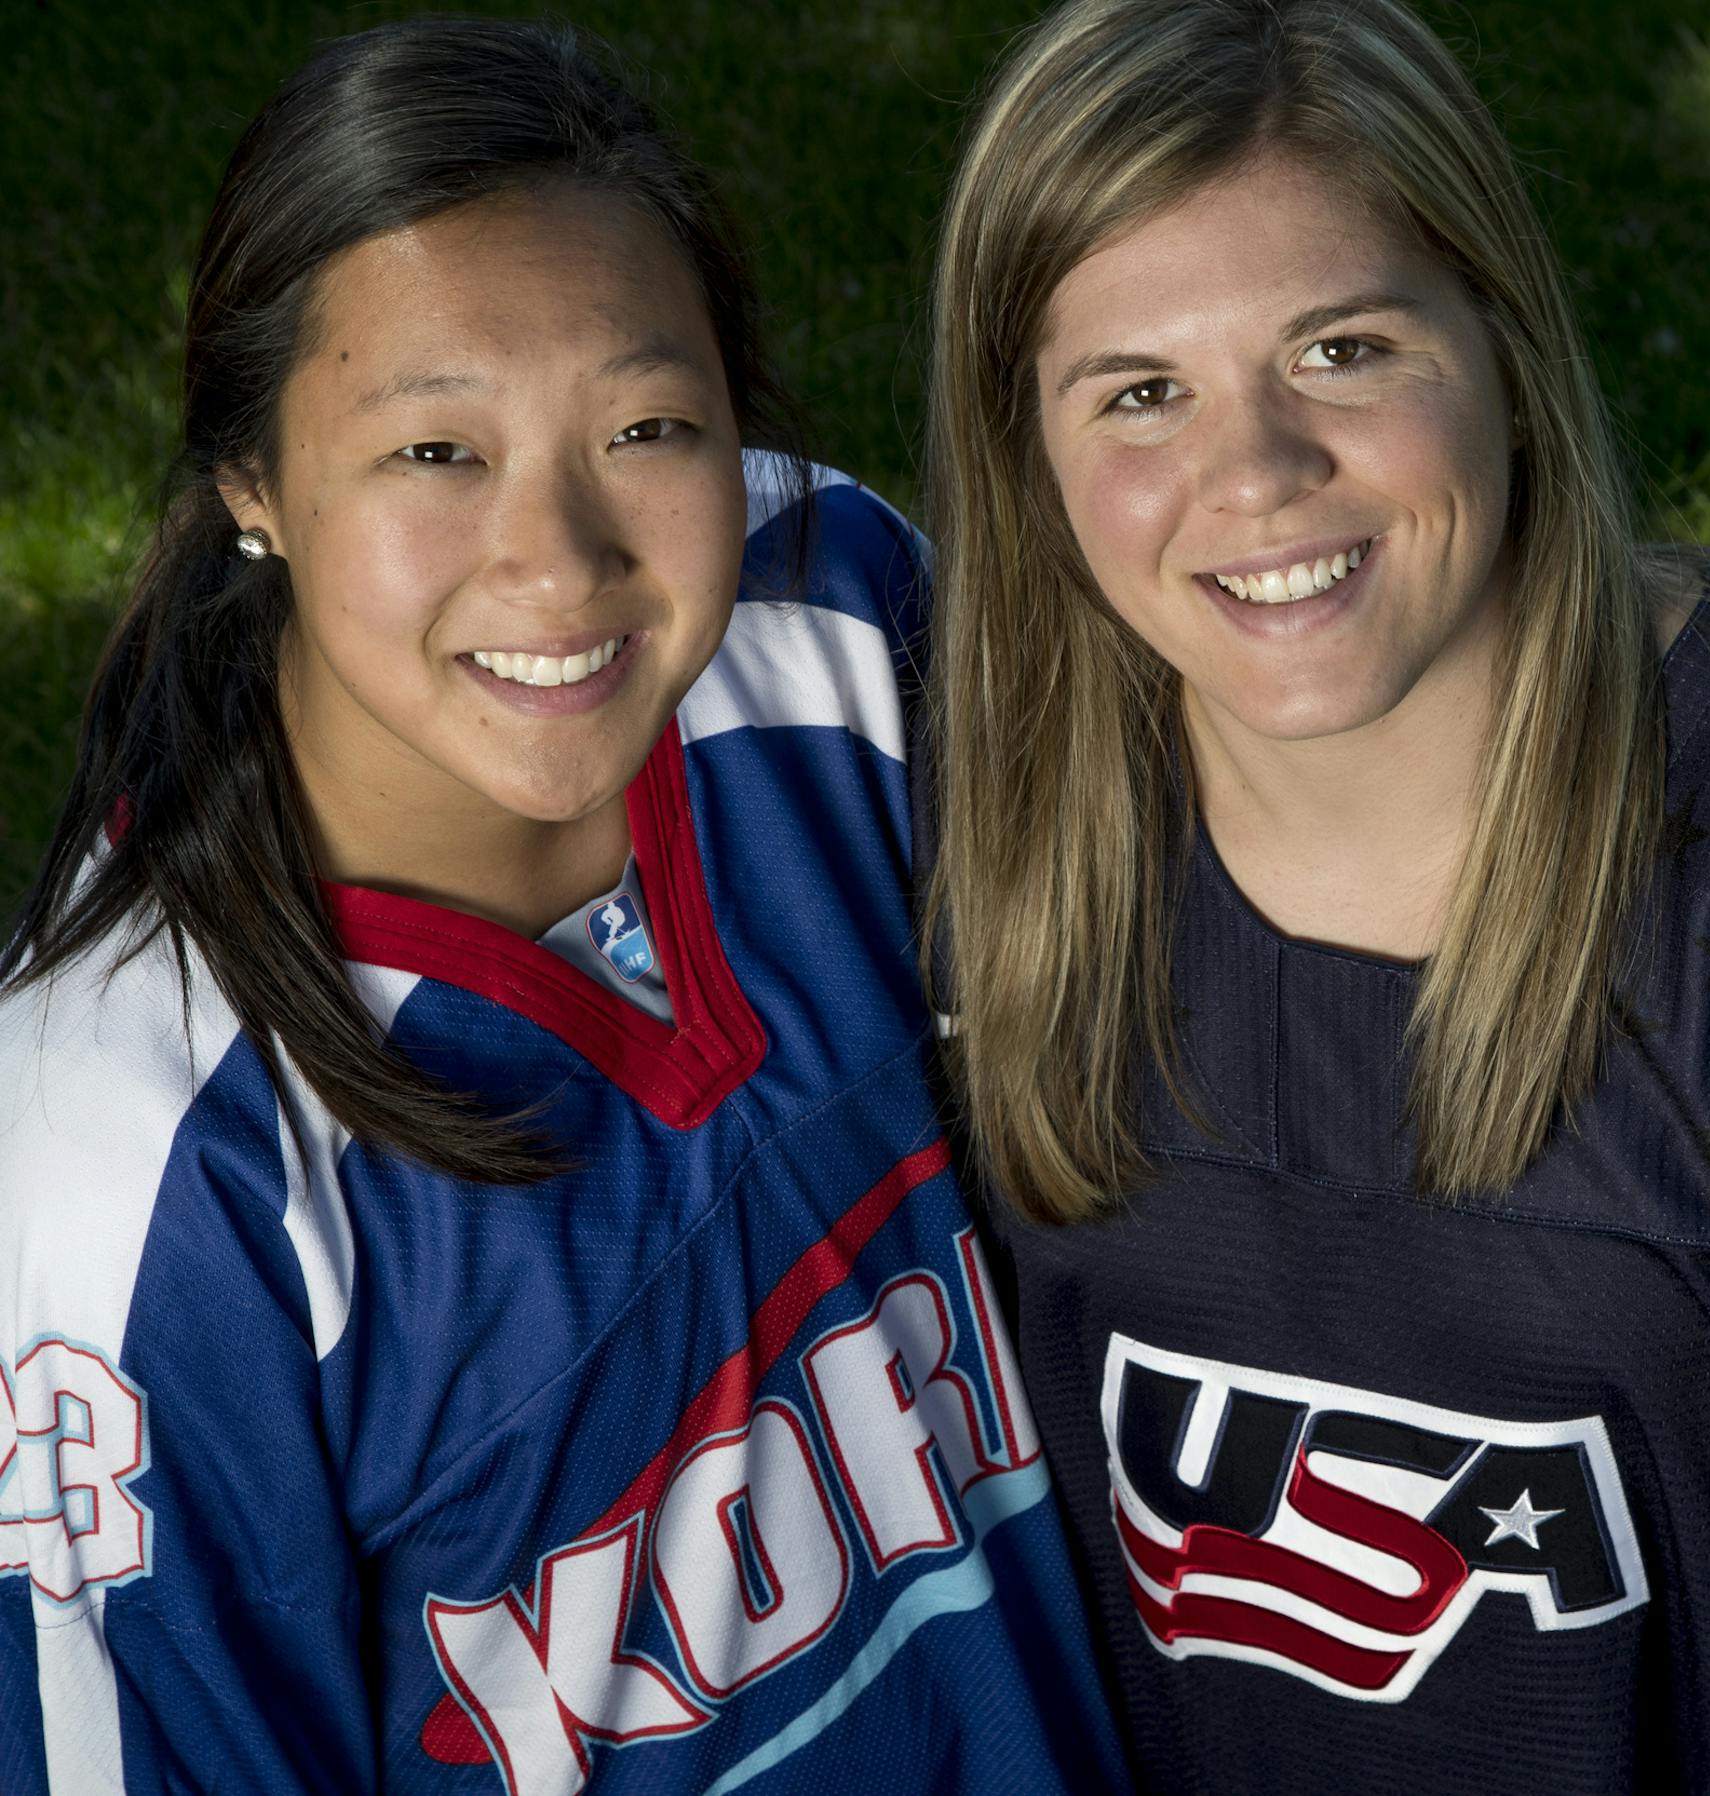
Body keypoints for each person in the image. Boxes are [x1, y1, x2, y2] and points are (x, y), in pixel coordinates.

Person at [918, 0, 1710, 1789]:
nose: (1255, 472)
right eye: (1140, 393)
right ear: (1025, 455)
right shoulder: (984, 838)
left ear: (1503, 342)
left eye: (1343, 349)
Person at [0, 20, 1129, 1793]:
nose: (561, 559)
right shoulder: (128, 1161)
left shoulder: (835, 626)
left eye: (646, 426)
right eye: (435, 452)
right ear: (250, 482)